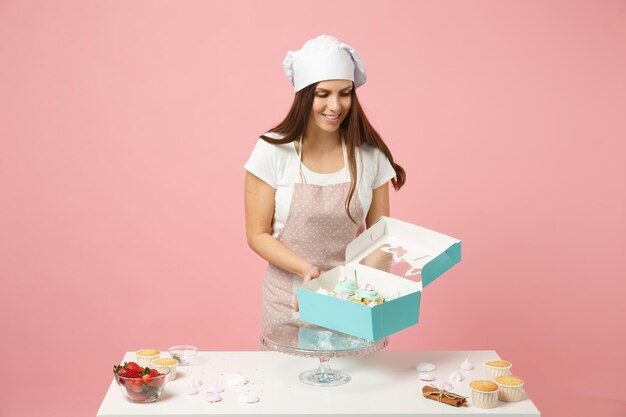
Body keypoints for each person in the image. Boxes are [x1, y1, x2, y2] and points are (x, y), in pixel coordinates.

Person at [244, 34, 406, 336]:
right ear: (305, 95)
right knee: (287, 380)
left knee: (357, 382)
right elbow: (256, 234)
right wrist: (307, 271)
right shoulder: (272, 150)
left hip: (352, 301)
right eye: (323, 94)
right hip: (287, 301)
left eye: (344, 93)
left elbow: (379, 237)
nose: (335, 106)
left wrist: (367, 294)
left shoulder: (370, 156)